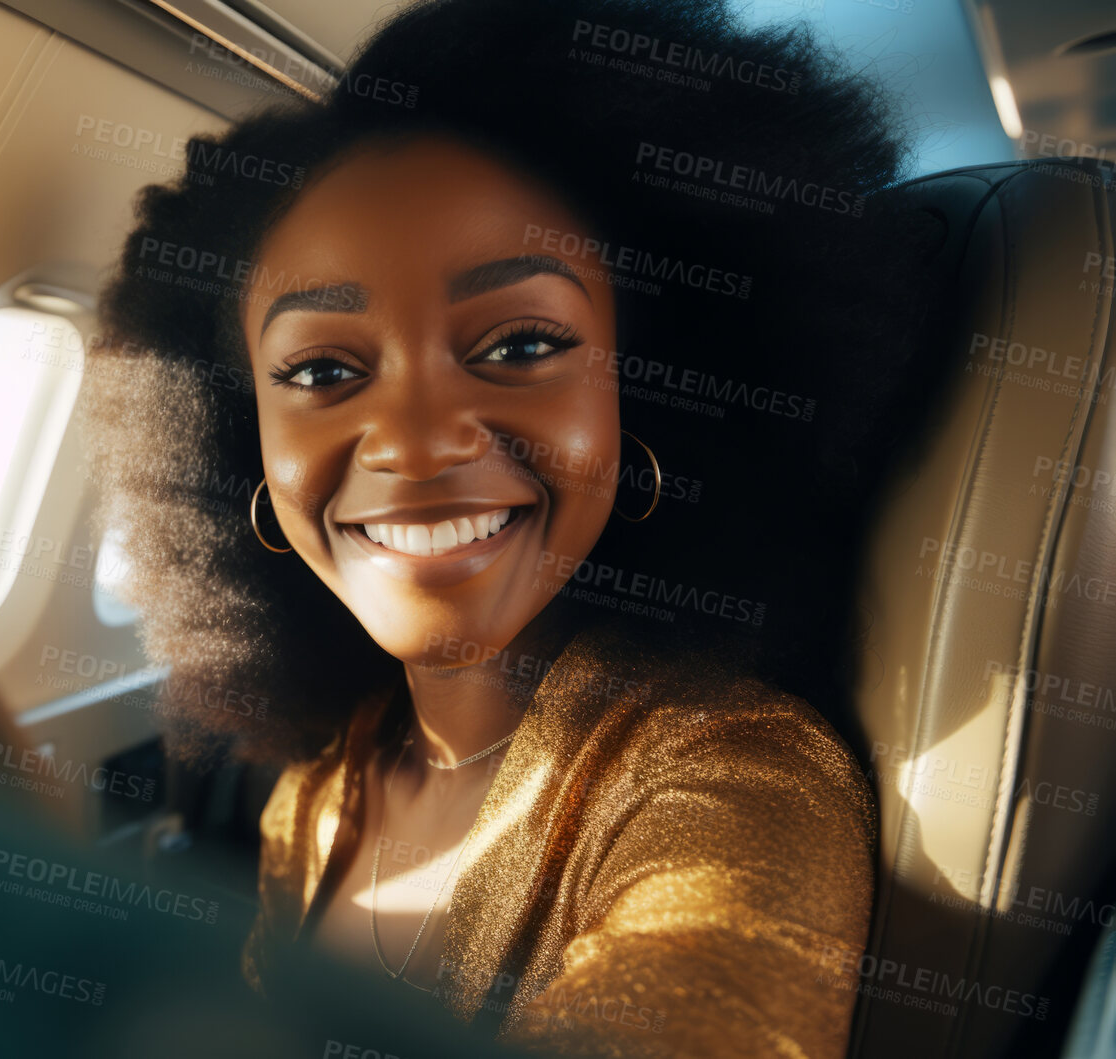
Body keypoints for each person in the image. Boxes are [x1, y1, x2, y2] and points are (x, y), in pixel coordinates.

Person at [80, 0, 946, 1054]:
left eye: (519, 345)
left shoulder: (729, 782)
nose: (410, 438)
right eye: (319, 370)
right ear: (239, 447)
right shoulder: (318, 792)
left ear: (644, 398)